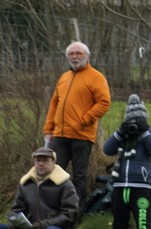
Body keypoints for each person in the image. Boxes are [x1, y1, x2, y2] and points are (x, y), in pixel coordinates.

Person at [43, 41, 111, 213]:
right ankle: (50, 208)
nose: (74, 56)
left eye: (78, 53)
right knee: (53, 172)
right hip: (60, 135)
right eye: (71, 54)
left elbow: (104, 102)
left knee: (79, 176)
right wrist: (48, 130)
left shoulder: (96, 77)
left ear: (86, 56)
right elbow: (54, 104)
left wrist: (85, 119)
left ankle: (76, 211)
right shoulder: (64, 77)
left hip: (82, 136)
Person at [102, 94, 151, 229]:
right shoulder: (123, 136)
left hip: (141, 187)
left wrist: (144, 131)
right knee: (119, 222)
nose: (134, 125)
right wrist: (120, 131)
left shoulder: (149, 135)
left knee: (143, 222)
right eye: (132, 121)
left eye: (138, 121)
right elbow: (107, 149)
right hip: (120, 186)